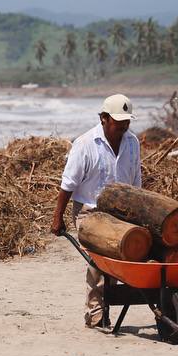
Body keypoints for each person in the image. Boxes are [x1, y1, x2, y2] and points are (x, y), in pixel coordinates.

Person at [51, 94, 142, 331]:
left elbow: (136, 183)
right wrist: (57, 217)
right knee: (99, 261)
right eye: (118, 121)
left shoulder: (132, 142)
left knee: (128, 253)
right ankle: (95, 313)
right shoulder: (85, 144)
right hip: (88, 211)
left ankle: (113, 302)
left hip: (121, 212)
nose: (123, 126)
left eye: (127, 122)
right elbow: (68, 185)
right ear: (103, 118)